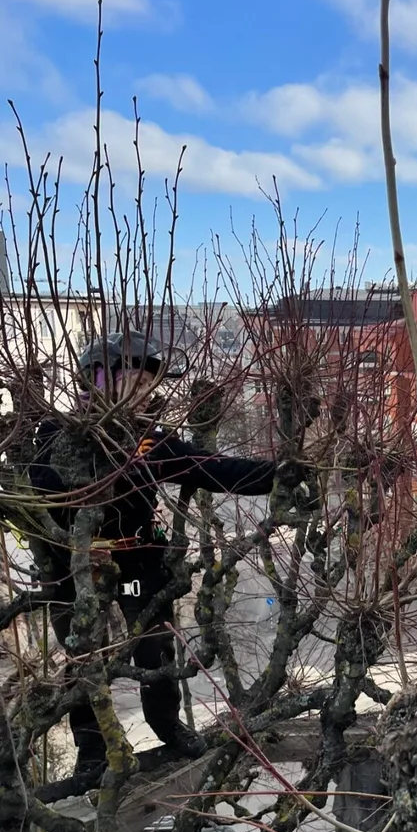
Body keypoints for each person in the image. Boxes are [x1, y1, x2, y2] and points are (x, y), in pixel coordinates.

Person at [26, 330, 297, 791]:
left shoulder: (149, 440)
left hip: (139, 563)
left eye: (151, 381)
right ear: (98, 378)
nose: (148, 389)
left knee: (156, 651)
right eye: (138, 377)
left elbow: (209, 467)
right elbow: (40, 489)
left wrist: (277, 474)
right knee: (83, 660)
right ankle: (92, 753)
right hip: (75, 570)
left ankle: (166, 725)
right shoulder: (57, 434)